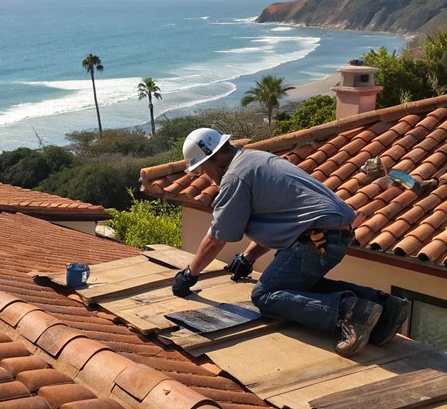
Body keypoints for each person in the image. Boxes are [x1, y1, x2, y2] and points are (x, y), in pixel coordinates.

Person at [172, 127, 409, 356]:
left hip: (315, 237)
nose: (205, 176)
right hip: (331, 233)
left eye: (203, 170)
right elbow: (282, 223)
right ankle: (385, 308)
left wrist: (189, 275)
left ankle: (350, 313)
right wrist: (248, 258)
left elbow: (216, 237)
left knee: (264, 295)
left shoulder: (235, 176)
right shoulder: (254, 159)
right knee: (295, 285)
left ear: (214, 160)